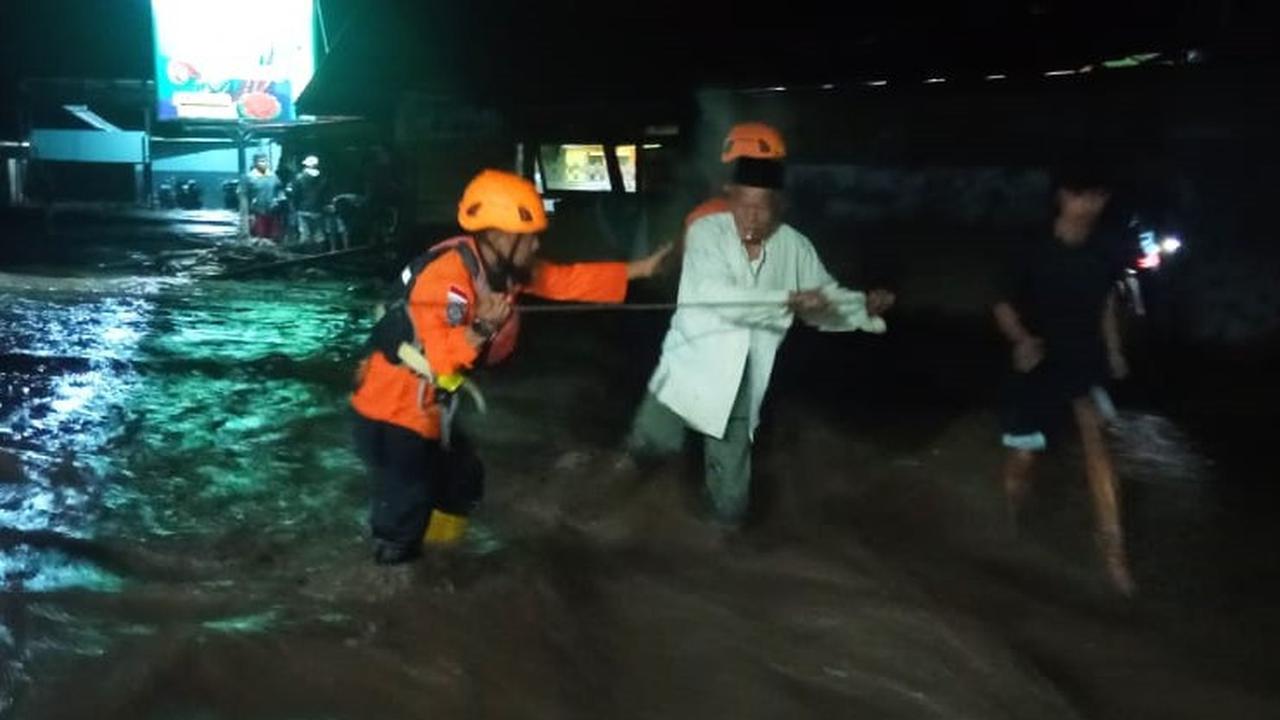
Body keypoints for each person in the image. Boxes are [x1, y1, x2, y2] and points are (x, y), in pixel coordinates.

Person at [351, 169, 672, 564]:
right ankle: (392, 577)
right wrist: (482, 328)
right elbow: (439, 357)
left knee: (463, 483)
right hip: (391, 409)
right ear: (501, 237)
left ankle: (439, 560)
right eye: (530, 237)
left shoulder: (501, 268)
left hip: (428, 405)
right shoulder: (448, 278)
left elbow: (563, 280)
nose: (537, 244)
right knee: (405, 509)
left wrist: (642, 269)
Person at [626, 146, 896, 528]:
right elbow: (716, 296)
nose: (751, 214)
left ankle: (714, 542)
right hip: (688, 368)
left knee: (731, 505)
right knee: (641, 454)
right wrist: (787, 298)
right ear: (729, 198)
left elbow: (823, 298)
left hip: (741, 380)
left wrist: (861, 306)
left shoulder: (795, 246)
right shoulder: (706, 233)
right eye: (743, 203)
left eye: (762, 206)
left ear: (779, 206)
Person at [993, 164, 1135, 595]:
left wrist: (1114, 350)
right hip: (1038, 361)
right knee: (1024, 456)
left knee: (1098, 446)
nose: (1089, 205)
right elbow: (1002, 303)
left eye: (1098, 197)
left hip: (1083, 359)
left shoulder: (1106, 249)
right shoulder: (1033, 246)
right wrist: (1021, 339)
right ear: (1062, 197)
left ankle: (1113, 556)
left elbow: (1106, 303)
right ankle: (1009, 526)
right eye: (1081, 196)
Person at [238, 152, 282, 241]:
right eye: (260, 161)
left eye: (265, 161)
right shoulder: (249, 177)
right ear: (255, 163)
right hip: (256, 211)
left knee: (273, 236)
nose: (263, 163)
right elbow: (243, 196)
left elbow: (279, 190)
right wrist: (246, 213)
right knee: (259, 235)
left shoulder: (273, 176)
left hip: (272, 210)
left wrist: (277, 200)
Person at [289, 155, 328, 248]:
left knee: (305, 233)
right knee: (319, 234)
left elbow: (295, 194)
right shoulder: (322, 177)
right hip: (318, 209)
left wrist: (294, 206)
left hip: (303, 209)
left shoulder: (299, 178)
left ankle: (307, 253)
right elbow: (324, 194)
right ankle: (320, 252)